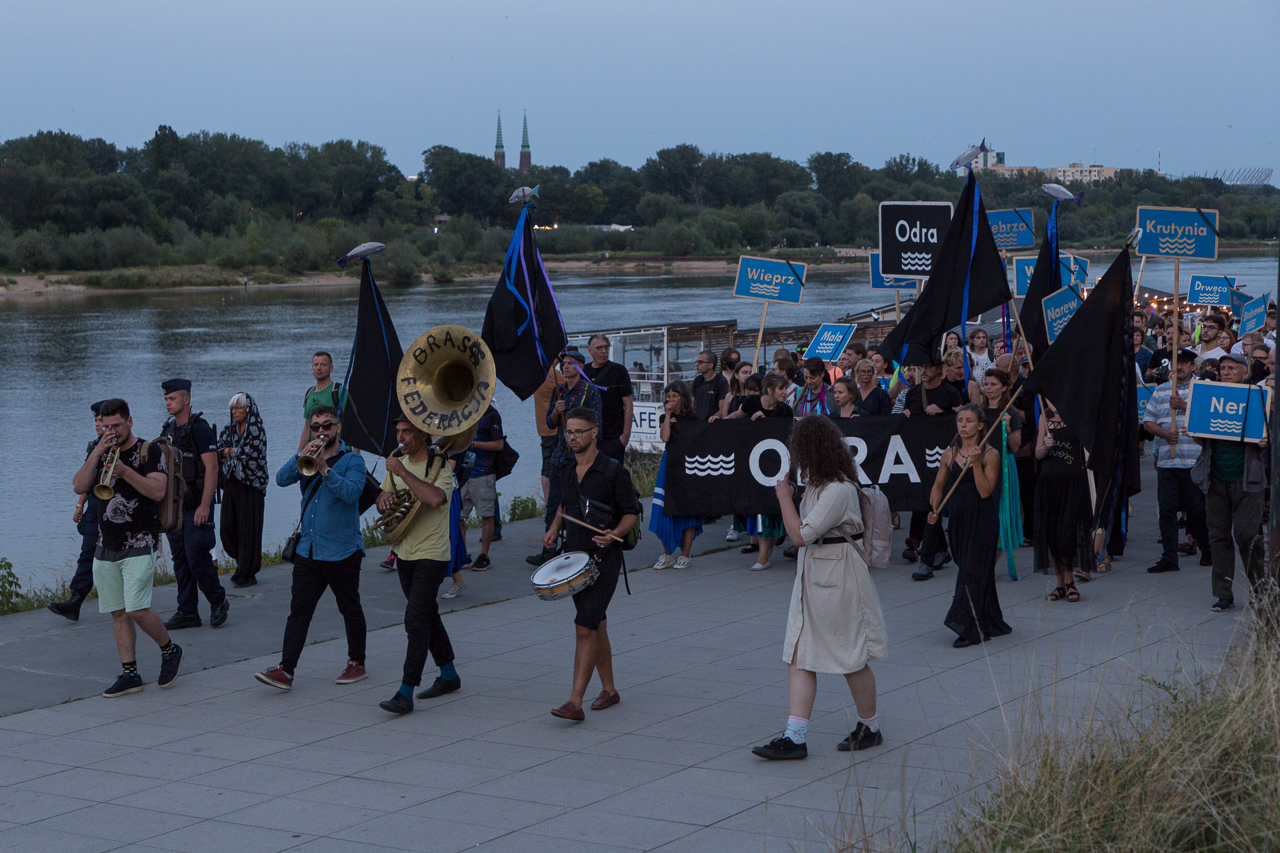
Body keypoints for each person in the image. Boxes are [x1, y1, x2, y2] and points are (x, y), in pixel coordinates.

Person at [751, 416, 887, 760]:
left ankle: (869, 727)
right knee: (799, 652)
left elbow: (799, 535)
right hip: (819, 572)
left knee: (849, 653)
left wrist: (783, 496)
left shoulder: (838, 489)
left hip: (839, 575)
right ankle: (795, 736)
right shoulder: (823, 485)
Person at [71, 399, 183, 696]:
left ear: (130, 421)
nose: (112, 432)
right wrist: (97, 452)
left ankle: (169, 650)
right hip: (105, 543)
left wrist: (124, 470)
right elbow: (79, 486)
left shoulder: (149, 451)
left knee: (136, 607)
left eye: (116, 426)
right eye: (106, 427)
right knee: (117, 611)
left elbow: (158, 491)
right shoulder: (99, 451)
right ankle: (130, 672)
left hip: (141, 539)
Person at [255, 405, 368, 690]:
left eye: (327, 426)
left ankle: (357, 662)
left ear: (338, 428)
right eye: (316, 426)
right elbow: (280, 480)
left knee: (349, 607)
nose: (321, 431)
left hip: (342, 550)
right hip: (309, 550)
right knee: (299, 611)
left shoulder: (352, 460)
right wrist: (302, 454)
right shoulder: (308, 452)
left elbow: (352, 494)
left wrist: (325, 470)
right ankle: (286, 670)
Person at [543, 407, 640, 722]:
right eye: (568, 432)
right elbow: (564, 504)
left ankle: (574, 701)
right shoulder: (567, 467)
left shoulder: (613, 471)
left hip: (605, 561)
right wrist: (554, 528)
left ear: (594, 432)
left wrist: (614, 534)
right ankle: (610, 690)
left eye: (578, 432)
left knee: (584, 626)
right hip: (573, 560)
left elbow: (631, 513)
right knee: (595, 623)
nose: (572, 437)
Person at [375, 416, 461, 714]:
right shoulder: (395, 461)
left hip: (432, 555)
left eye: (407, 432)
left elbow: (436, 498)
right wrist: (384, 499)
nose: (400, 437)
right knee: (428, 614)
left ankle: (405, 691)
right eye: (398, 431)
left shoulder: (441, 466)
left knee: (415, 620)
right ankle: (449, 675)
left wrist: (401, 472)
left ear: (424, 434)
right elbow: (384, 497)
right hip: (404, 553)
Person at [1187, 353, 1268, 613]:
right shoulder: (1210, 396)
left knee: (1247, 537)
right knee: (1218, 537)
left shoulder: (1256, 398)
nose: (1225, 372)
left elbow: (1269, 435)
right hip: (1215, 480)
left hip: (1248, 481)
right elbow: (1202, 438)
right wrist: (1194, 428)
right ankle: (1223, 593)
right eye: (1222, 368)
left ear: (1244, 373)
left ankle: (1259, 590)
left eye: (1232, 368)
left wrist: (1265, 440)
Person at [927, 404, 1011, 648]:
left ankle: (967, 627)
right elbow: (938, 487)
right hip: (959, 520)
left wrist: (975, 464)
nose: (963, 425)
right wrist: (934, 510)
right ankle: (989, 620)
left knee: (971, 572)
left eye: (969, 421)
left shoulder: (990, 454)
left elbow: (986, 492)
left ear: (981, 425)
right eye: (960, 420)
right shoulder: (948, 454)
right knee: (969, 567)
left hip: (982, 519)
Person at [159, 378, 227, 631]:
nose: (168, 403)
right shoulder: (168, 430)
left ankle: (218, 600)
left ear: (186, 399)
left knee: (197, 556)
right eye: (166, 399)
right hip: (174, 508)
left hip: (197, 504)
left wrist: (205, 505)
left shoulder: (200, 429)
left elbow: (212, 467)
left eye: (172, 398)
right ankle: (187, 611)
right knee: (180, 560)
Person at [532, 349, 603, 567]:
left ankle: (580, 548)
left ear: (580, 366)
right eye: (563, 362)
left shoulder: (589, 391)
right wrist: (555, 412)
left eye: (570, 363)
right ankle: (548, 550)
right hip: (560, 456)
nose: (565, 366)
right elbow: (551, 422)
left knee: (580, 505)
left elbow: (597, 424)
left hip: (580, 458)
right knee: (554, 505)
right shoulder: (559, 390)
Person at [1143, 349, 1211, 574]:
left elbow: (1210, 418)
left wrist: (1183, 406)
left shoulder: (1202, 389)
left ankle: (1207, 550)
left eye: (1184, 363)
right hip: (1168, 463)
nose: (1179, 367)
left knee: (1198, 511)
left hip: (1194, 462)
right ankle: (1169, 557)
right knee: (1167, 511)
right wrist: (1163, 434)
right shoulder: (1162, 390)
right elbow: (1148, 421)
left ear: (1193, 366)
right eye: (1176, 363)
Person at [726, 375, 794, 570]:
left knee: (770, 508)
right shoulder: (753, 401)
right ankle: (764, 554)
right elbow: (738, 416)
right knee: (759, 507)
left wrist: (766, 423)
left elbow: (785, 435)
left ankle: (764, 555)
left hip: (775, 465)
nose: (784, 392)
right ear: (770, 389)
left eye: (785, 388)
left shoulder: (784, 410)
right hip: (754, 463)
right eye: (781, 388)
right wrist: (718, 423)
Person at [49, 401, 106, 621]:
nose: (97, 424)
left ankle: (133, 600)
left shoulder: (120, 445)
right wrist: (80, 504)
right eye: (95, 420)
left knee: (120, 556)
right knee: (87, 555)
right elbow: (86, 479)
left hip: (115, 509)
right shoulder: (94, 446)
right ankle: (75, 601)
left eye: (101, 419)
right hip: (93, 506)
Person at [901, 364, 962, 566]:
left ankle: (920, 544)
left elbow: (959, 419)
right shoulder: (913, 392)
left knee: (932, 499)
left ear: (939, 369)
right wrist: (906, 415)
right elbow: (904, 416)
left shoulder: (950, 392)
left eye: (928, 368)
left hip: (939, 454)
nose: (924, 371)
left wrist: (943, 412)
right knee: (922, 496)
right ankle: (932, 546)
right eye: (921, 368)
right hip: (917, 452)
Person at [1034, 400, 1093, 602]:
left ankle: (1070, 581)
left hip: (1072, 482)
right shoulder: (1044, 417)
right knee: (1052, 533)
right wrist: (1045, 446)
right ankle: (1059, 584)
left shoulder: (1076, 415)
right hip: (1049, 482)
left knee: (1067, 531)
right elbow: (1038, 453)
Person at [650, 381, 703, 570]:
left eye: (675, 395)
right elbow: (665, 438)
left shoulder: (694, 418)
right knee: (665, 506)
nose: (671, 399)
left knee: (687, 508)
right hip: (669, 462)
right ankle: (667, 553)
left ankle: (686, 554)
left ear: (683, 397)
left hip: (688, 464)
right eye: (668, 395)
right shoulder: (666, 416)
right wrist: (668, 416)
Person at [218, 393, 268, 588]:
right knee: (227, 529)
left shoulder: (257, 430)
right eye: (233, 408)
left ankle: (248, 571)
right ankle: (241, 563)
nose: (234, 411)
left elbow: (249, 455)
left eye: (238, 407)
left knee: (249, 530)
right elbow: (217, 450)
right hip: (231, 483)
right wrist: (231, 452)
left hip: (251, 485)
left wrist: (228, 453)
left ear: (248, 409)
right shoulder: (229, 430)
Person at [460, 403, 504, 572]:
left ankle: (484, 555)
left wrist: (474, 444)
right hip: (463, 472)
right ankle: (463, 555)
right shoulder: (461, 411)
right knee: (458, 518)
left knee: (486, 515)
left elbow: (499, 445)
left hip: (483, 473)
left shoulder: (491, 414)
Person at [583, 334, 633, 462]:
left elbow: (628, 404)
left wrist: (625, 436)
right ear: (590, 351)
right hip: (590, 436)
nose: (604, 351)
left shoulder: (619, 371)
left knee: (613, 477)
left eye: (606, 347)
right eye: (599, 348)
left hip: (613, 437)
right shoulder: (584, 372)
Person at [299, 351, 344, 452]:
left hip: (338, 451)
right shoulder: (309, 393)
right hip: (315, 452)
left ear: (331, 368)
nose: (319, 368)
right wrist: (298, 456)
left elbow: (353, 423)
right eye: (316, 364)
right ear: (312, 367)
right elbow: (307, 428)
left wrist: (356, 455)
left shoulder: (339, 391)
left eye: (323, 365)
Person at [978, 369, 1022, 455]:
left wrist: (1008, 428)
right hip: (982, 458)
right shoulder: (978, 412)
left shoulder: (1011, 412)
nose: (988, 387)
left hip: (1004, 460)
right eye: (986, 384)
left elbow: (1016, 447)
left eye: (993, 384)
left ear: (1004, 387)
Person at [690, 350, 728, 421]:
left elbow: (722, 409)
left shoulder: (721, 381)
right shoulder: (698, 380)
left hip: (712, 424)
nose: (697, 364)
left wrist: (714, 418)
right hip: (698, 423)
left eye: (700, 362)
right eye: (696, 362)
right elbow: (692, 404)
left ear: (710, 365)